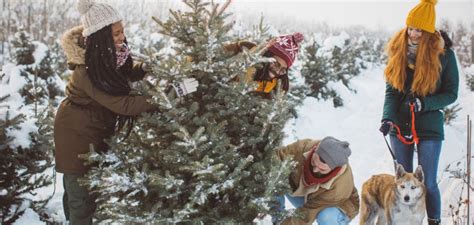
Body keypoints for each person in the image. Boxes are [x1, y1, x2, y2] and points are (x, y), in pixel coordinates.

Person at [54, 0, 197, 224]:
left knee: (82, 194)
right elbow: (124, 104)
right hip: (76, 136)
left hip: (94, 128)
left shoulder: (108, 56)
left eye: (122, 31)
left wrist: (145, 67)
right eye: (116, 33)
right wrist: (172, 93)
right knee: (80, 196)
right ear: (101, 36)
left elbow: (124, 73)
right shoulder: (86, 71)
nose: (121, 37)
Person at [378, 0, 459, 224]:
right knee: (403, 180)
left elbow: (451, 93)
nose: (413, 34)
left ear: (430, 33)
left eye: (419, 31)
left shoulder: (444, 56)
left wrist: (426, 103)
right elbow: (391, 92)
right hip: (400, 125)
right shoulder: (399, 52)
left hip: (430, 126)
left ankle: (433, 220)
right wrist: (387, 118)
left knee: (427, 182)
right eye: (411, 28)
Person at [274, 137, 359, 225]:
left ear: (334, 169)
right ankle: (277, 220)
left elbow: (307, 214)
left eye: (322, 169)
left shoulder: (339, 186)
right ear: (315, 150)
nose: (314, 170)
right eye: (313, 162)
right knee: (272, 180)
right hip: (308, 195)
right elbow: (275, 159)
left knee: (325, 217)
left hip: (335, 206)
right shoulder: (302, 148)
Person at [224, 33, 304, 98]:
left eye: (282, 69)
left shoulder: (273, 90)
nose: (277, 71)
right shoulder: (240, 51)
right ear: (267, 55)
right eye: (275, 63)